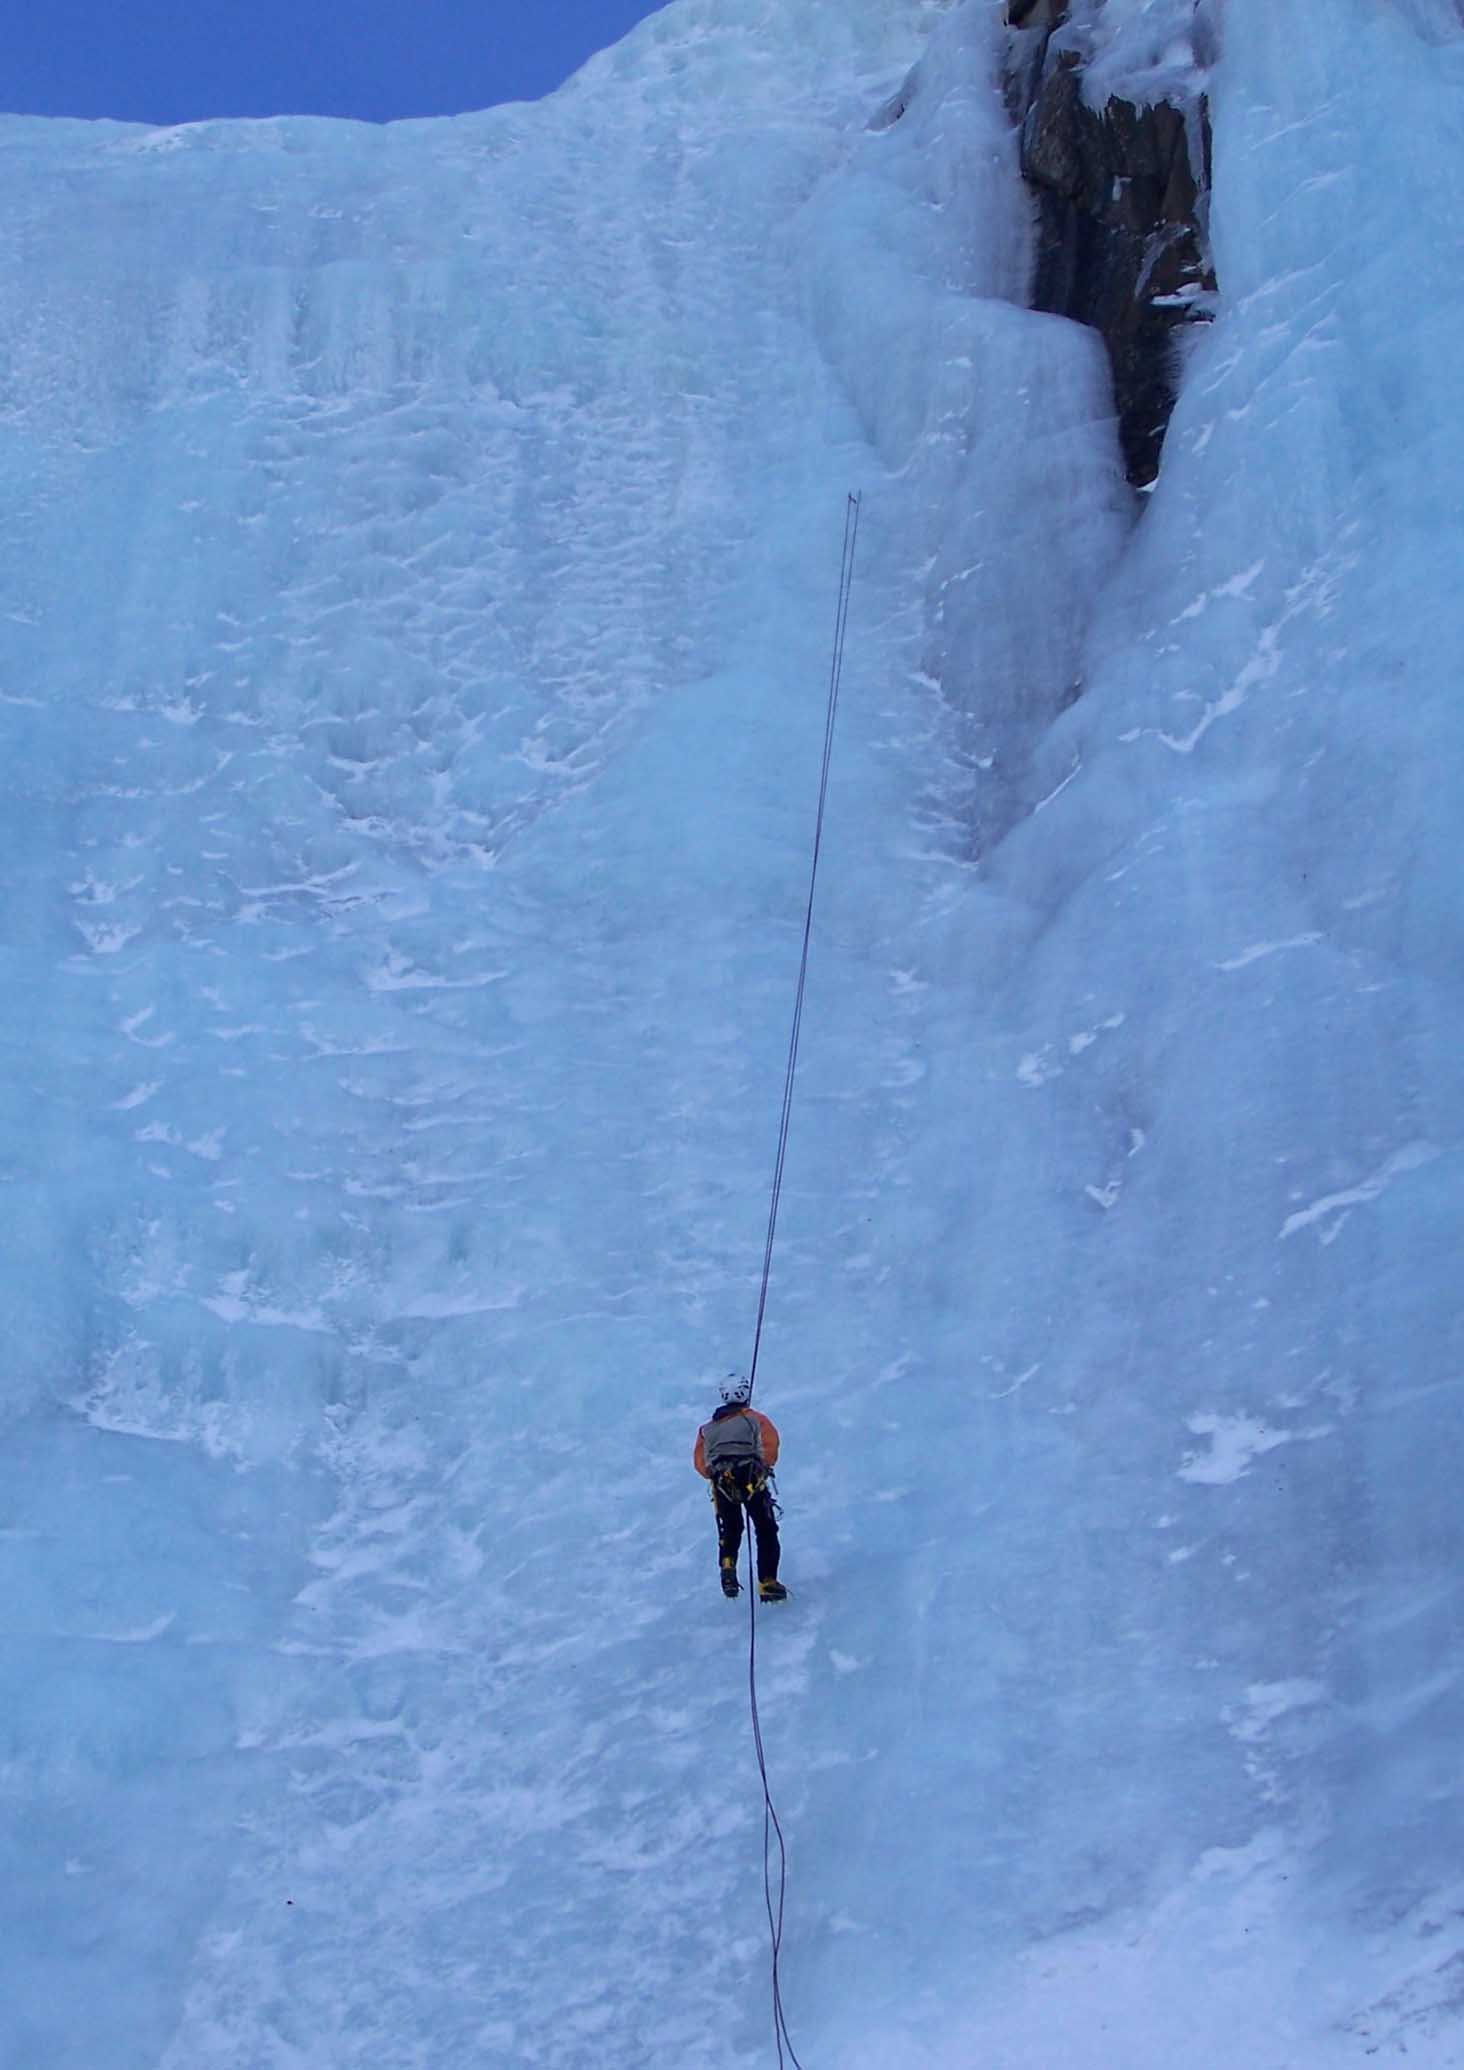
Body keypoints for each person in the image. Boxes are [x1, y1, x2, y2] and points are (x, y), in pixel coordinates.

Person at [694, 1375, 788, 1601]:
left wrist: (714, 1473)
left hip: (722, 1482)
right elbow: (769, 1445)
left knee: (731, 1527)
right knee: (765, 1528)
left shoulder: (707, 1429)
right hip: (750, 1477)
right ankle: (767, 1582)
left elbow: (700, 1462)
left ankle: (728, 1566)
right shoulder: (755, 1419)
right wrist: (763, 1466)